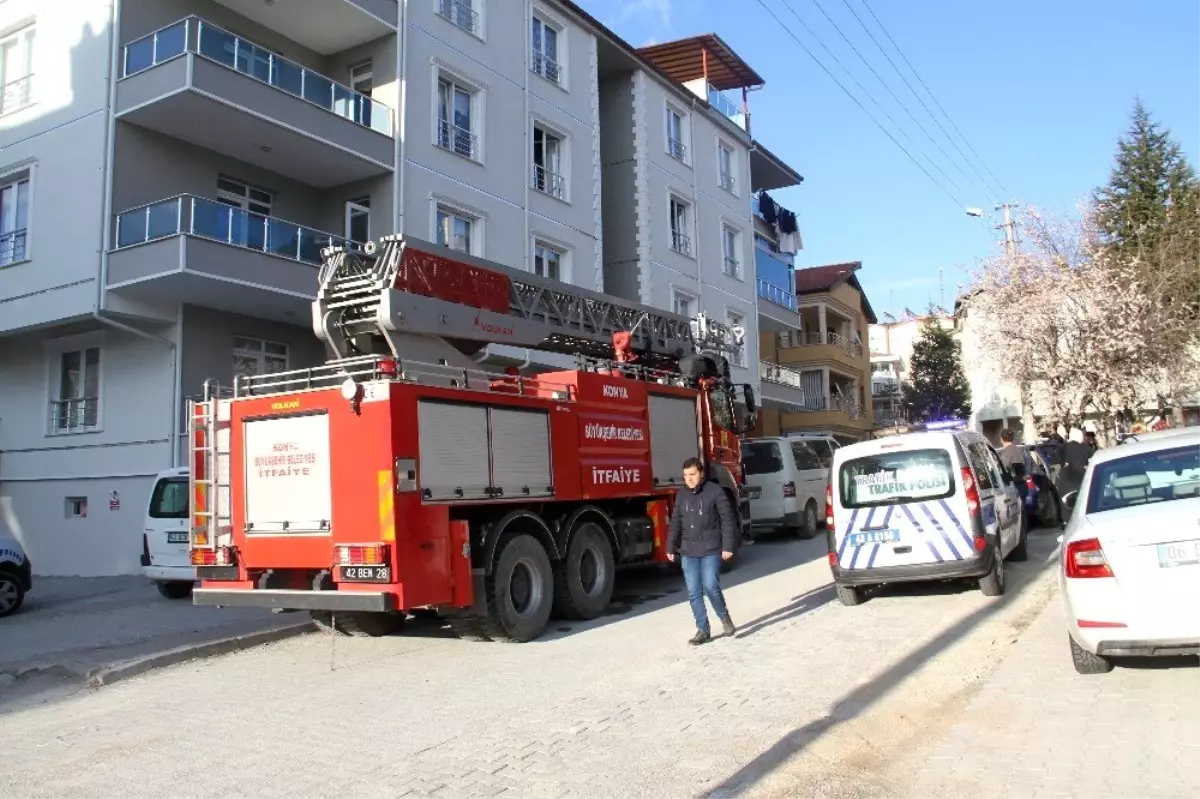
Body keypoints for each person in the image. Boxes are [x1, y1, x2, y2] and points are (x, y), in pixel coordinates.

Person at [666, 457, 737, 645]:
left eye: (692, 474)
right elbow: (676, 522)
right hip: (688, 550)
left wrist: (728, 546)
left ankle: (724, 617)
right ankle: (703, 630)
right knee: (694, 592)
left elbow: (727, 520)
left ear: (701, 473)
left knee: (711, 586)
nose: (688, 479)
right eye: (685, 475)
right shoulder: (681, 495)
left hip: (711, 549)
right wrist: (670, 546)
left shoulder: (715, 492)